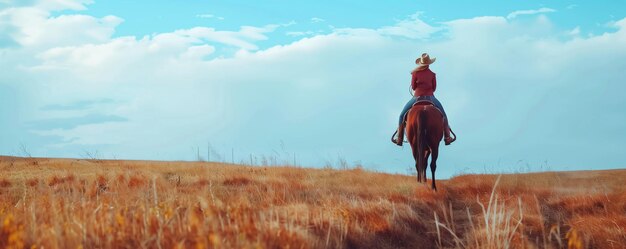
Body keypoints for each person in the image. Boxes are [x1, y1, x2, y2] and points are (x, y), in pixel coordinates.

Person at [392, 53, 455, 146]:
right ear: (429, 63)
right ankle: (447, 137)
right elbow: (434, 88)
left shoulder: (415, 73)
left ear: (420, 63)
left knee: (402, 116)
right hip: (431, 97)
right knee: (444, 115)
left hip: (417, 98)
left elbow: (413, 87)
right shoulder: (433, 74)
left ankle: (400, 138)